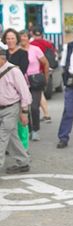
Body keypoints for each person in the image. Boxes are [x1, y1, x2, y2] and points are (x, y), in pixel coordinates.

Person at [0, 45, 32, 174]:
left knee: (2, 137)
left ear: (2, 58)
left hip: (11, 109)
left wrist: (24, 112)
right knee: (12, 136)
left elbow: (25, 93)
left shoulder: (14, 71)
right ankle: (23, 162)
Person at [20, 31, 49, 142]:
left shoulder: (35, 49)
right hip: (22, 82)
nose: (23, 38)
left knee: (34, 107)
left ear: (28, 38)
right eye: (21, 36)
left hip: (35, 81)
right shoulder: (18, 51)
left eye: (25, 36)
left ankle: (35, 130)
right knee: (24, 108)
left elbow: (45, 63)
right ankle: (28, 129)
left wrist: (45, 78)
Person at [30, 27, 55, 123]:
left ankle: (46, 114)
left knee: (39, 94)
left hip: (35, 72)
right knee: (40, 93)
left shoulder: (31, 45)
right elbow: (53, 56)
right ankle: (46, 114)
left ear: (32, 34)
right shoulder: (48, 44)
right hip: (45, 70)